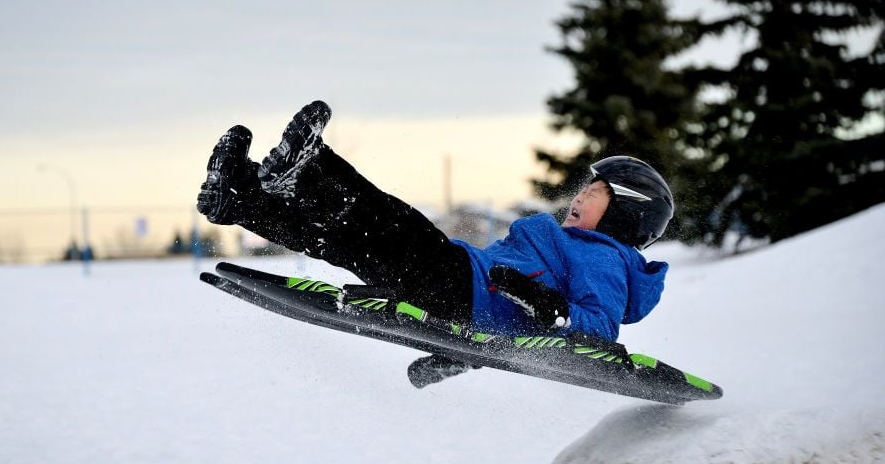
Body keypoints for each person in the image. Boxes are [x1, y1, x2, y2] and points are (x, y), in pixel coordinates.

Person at [197, 100, 672, 381]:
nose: (578, 197)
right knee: (344, 241)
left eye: (593, 194)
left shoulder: (605, 259)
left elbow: (596, 334)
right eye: (583, 189)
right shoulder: (573, 244)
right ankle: (241, 200)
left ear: (625, 216)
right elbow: (510, 338)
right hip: (464, 289)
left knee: (389, 221)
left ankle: (310, 168)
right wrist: (457, 356)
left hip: (464, 288)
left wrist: (545, 303)